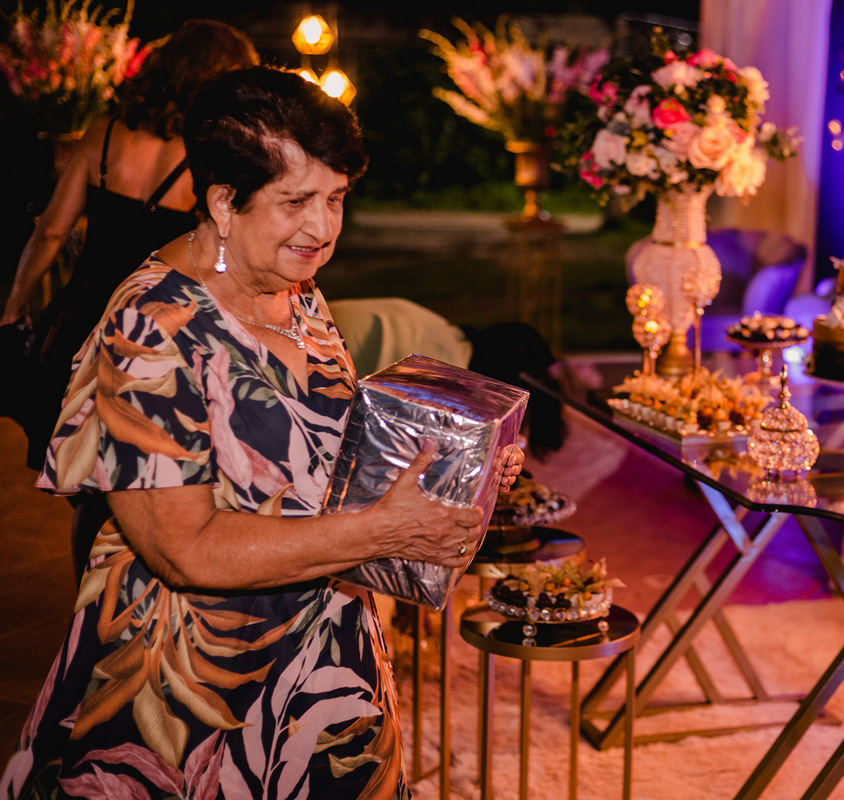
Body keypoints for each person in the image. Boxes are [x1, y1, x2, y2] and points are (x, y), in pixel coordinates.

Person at [0, 66, 523, 799]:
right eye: (296, 201)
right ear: (223, 201)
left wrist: (456, 472)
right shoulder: (151, 332)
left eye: (336, 198)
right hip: (197, 688)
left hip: (324, 661)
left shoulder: (295, 293)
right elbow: (185, 550)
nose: (323, 226)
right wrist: (380, 533)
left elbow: (326, 462)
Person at [0, 19, 259, 581]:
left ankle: (88, 598)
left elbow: (48, 231)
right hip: (154, 338)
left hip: (79, 327)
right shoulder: (210, 162)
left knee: (89, 486)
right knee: (135, 484)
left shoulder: (105, 131)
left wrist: (15, 305)